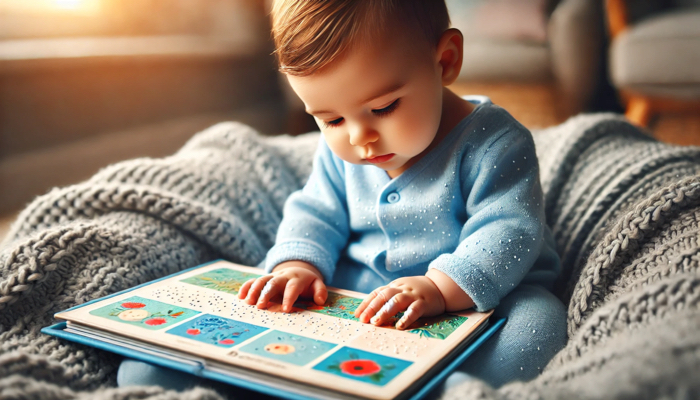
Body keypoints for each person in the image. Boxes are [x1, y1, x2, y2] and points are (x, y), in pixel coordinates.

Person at [118, 0, 567, 391]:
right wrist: (298, 266)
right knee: (277, 308)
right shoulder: (345, 152)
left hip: (476, 300)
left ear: (445, 61)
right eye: (331, 120)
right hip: (363, 297)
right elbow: (316, 211)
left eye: (384, 107)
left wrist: (438, 289)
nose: (361, 138)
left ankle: (445, 387)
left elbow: (509, 230)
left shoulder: (495, 141)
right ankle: (255, 378)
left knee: (537, 325)